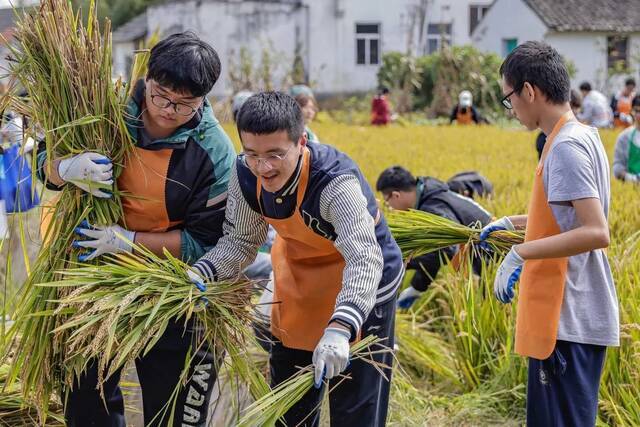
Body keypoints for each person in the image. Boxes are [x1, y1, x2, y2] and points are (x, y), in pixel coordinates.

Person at [36, 32, 236, 427]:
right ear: (146, 77)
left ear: (204, 98)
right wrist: (66, 167)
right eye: (160, 95)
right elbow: (44, 157)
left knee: (174, 409)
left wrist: (127, 242)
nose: (168, 109)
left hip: (174, 287)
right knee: (87, 403)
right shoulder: (102, 106)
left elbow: (206, 243)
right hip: (91, 276)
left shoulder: (214, 152)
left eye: (184, 104)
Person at [188, 92, 404, 426]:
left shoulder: (333, 182)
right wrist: (205, 271)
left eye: (275, 154)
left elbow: (363, 258)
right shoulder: (246, 174)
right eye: (253, 154)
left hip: (364, 283)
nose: (264, 167)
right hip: (302, 279)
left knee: (354, 406)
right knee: (291, 403)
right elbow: (241, 240)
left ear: (301, 141)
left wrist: (341, 326)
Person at [481, 41, 618, 427]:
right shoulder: (577, 135)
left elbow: (595, 230)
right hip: (566, 316)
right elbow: (566, 215)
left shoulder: (566, 147)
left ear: (529, 91)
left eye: (509, 99)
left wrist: (521, 253)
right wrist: (512, 222)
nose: (512, 111)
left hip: (569, 316)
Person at [376, 166, 491, 309]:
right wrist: (418, 288)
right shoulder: (428, 194)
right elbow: (436, 247)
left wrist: (404, 259)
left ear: (395, 195)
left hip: (492, 253)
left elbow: (445, 250)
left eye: (387, 202)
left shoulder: (432, 208)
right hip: (483, 254)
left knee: (493, 306)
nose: (390, 207)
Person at [535, 89, 582, 159]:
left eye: (577, 107)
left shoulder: (581, 132)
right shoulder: (545, 136)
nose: (575, 111)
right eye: (572, 106)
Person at [613, 95, 640, 183]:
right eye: (637, 111)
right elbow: (617, 167)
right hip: (631, 186)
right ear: (632, 111)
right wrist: (633, 178)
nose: (639, 115)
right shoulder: (624, 137)